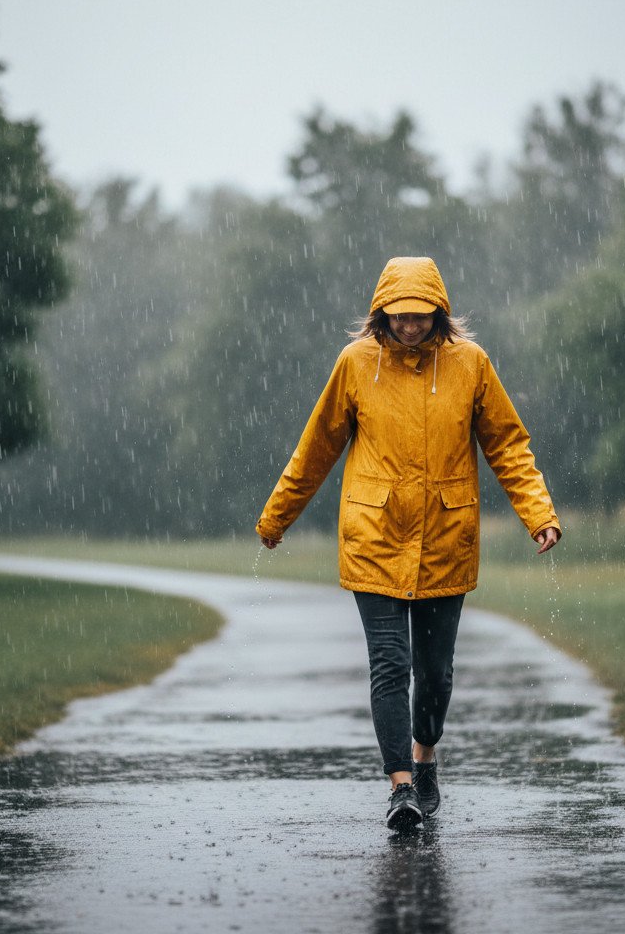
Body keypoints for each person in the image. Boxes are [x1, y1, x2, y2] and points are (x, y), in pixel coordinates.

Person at [256, 256, 561, 831]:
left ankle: (425, 757)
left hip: (447, 538)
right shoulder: (355, 364)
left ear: (439, 312)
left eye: (421, 316)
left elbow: (508, 445)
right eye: (400, 316)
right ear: (382, 313)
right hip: (375, 537)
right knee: (389, 667)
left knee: (436, 673)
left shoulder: (471, 365)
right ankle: (400, 787)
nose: (411, 326)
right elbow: (316, 447)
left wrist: (538, 513)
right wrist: (277, 519)